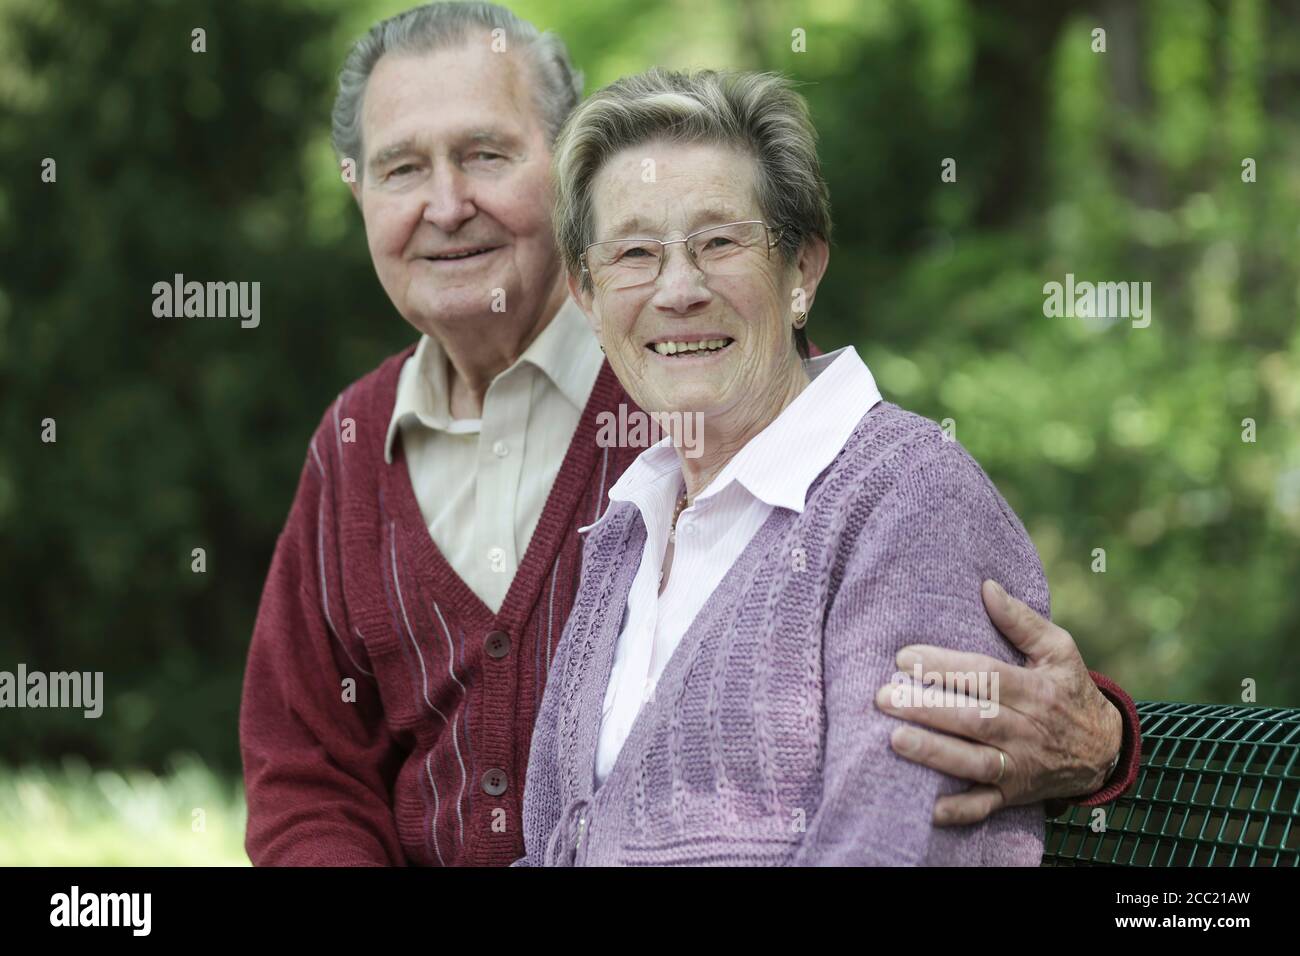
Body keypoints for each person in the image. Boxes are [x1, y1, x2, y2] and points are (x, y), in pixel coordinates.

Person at [239, 1, 1139, 867]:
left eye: (485, 154)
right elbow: (305, 765)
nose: (446, 204)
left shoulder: (725, 402)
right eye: (402, 168)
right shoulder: (373, 445)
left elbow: (894, 580)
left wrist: (1102, 738)